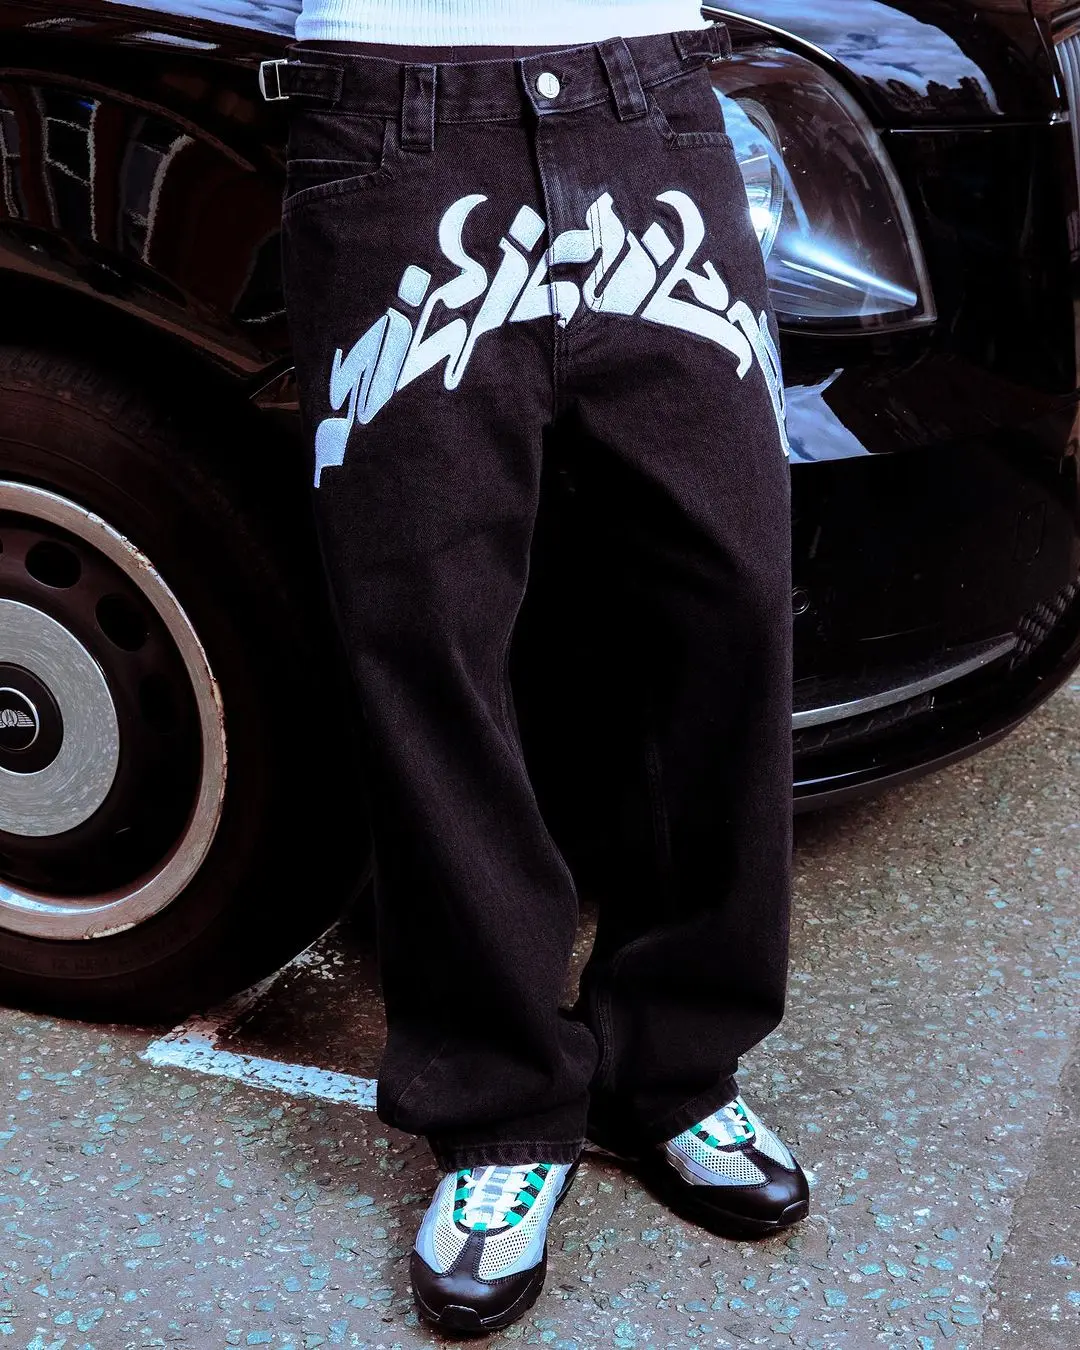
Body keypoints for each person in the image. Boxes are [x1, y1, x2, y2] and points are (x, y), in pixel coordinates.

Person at [265, 0, 809, 1334]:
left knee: (726, 604)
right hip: (390, 122)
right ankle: (500, 1102)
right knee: (428, 646)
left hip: (649, 106)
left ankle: (672, 1062)